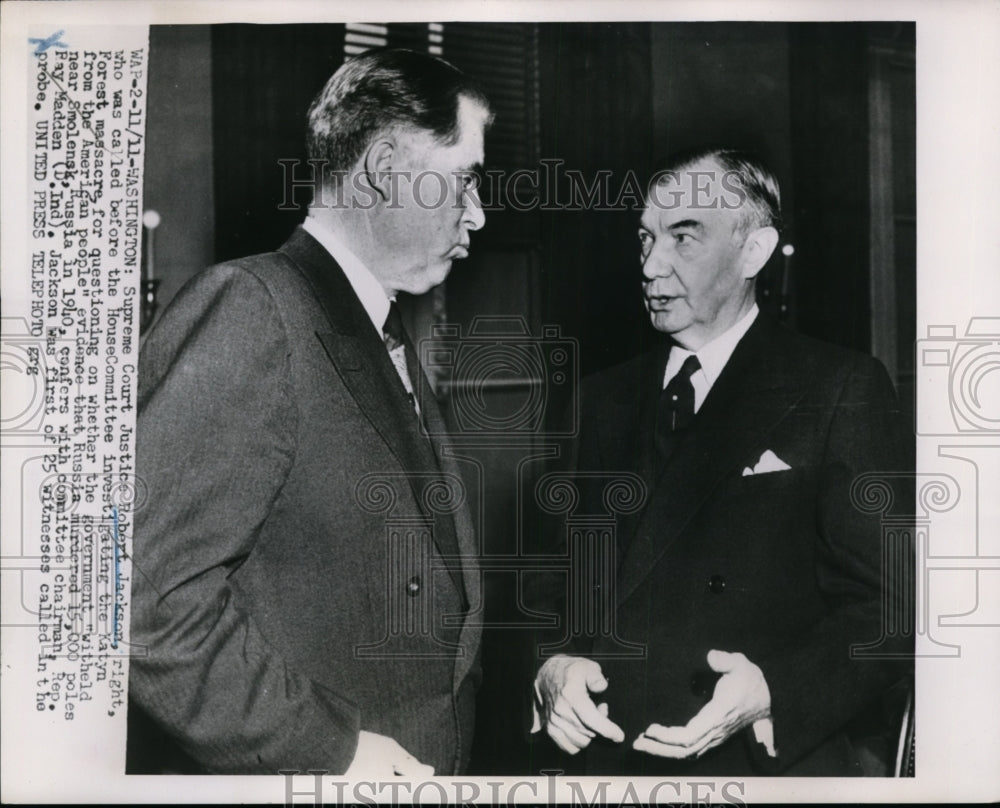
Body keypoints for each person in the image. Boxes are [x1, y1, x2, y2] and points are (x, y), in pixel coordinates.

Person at [126, 48, 492, 776]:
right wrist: (331, 750)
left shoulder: (369, 324)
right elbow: (142, 599)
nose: (478, 214)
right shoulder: (255, 308)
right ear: (385, 168)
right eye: (466, 180)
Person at [531, 148, 913, 775]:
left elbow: (891, 610)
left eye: (683, 238)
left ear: (753, 252)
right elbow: (551, 583)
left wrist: (774, 690)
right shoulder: (598, 399)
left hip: (757, 767)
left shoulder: (840, 387)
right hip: (606, 762)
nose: (651, 265)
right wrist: (551, 666)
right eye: (645, 238)